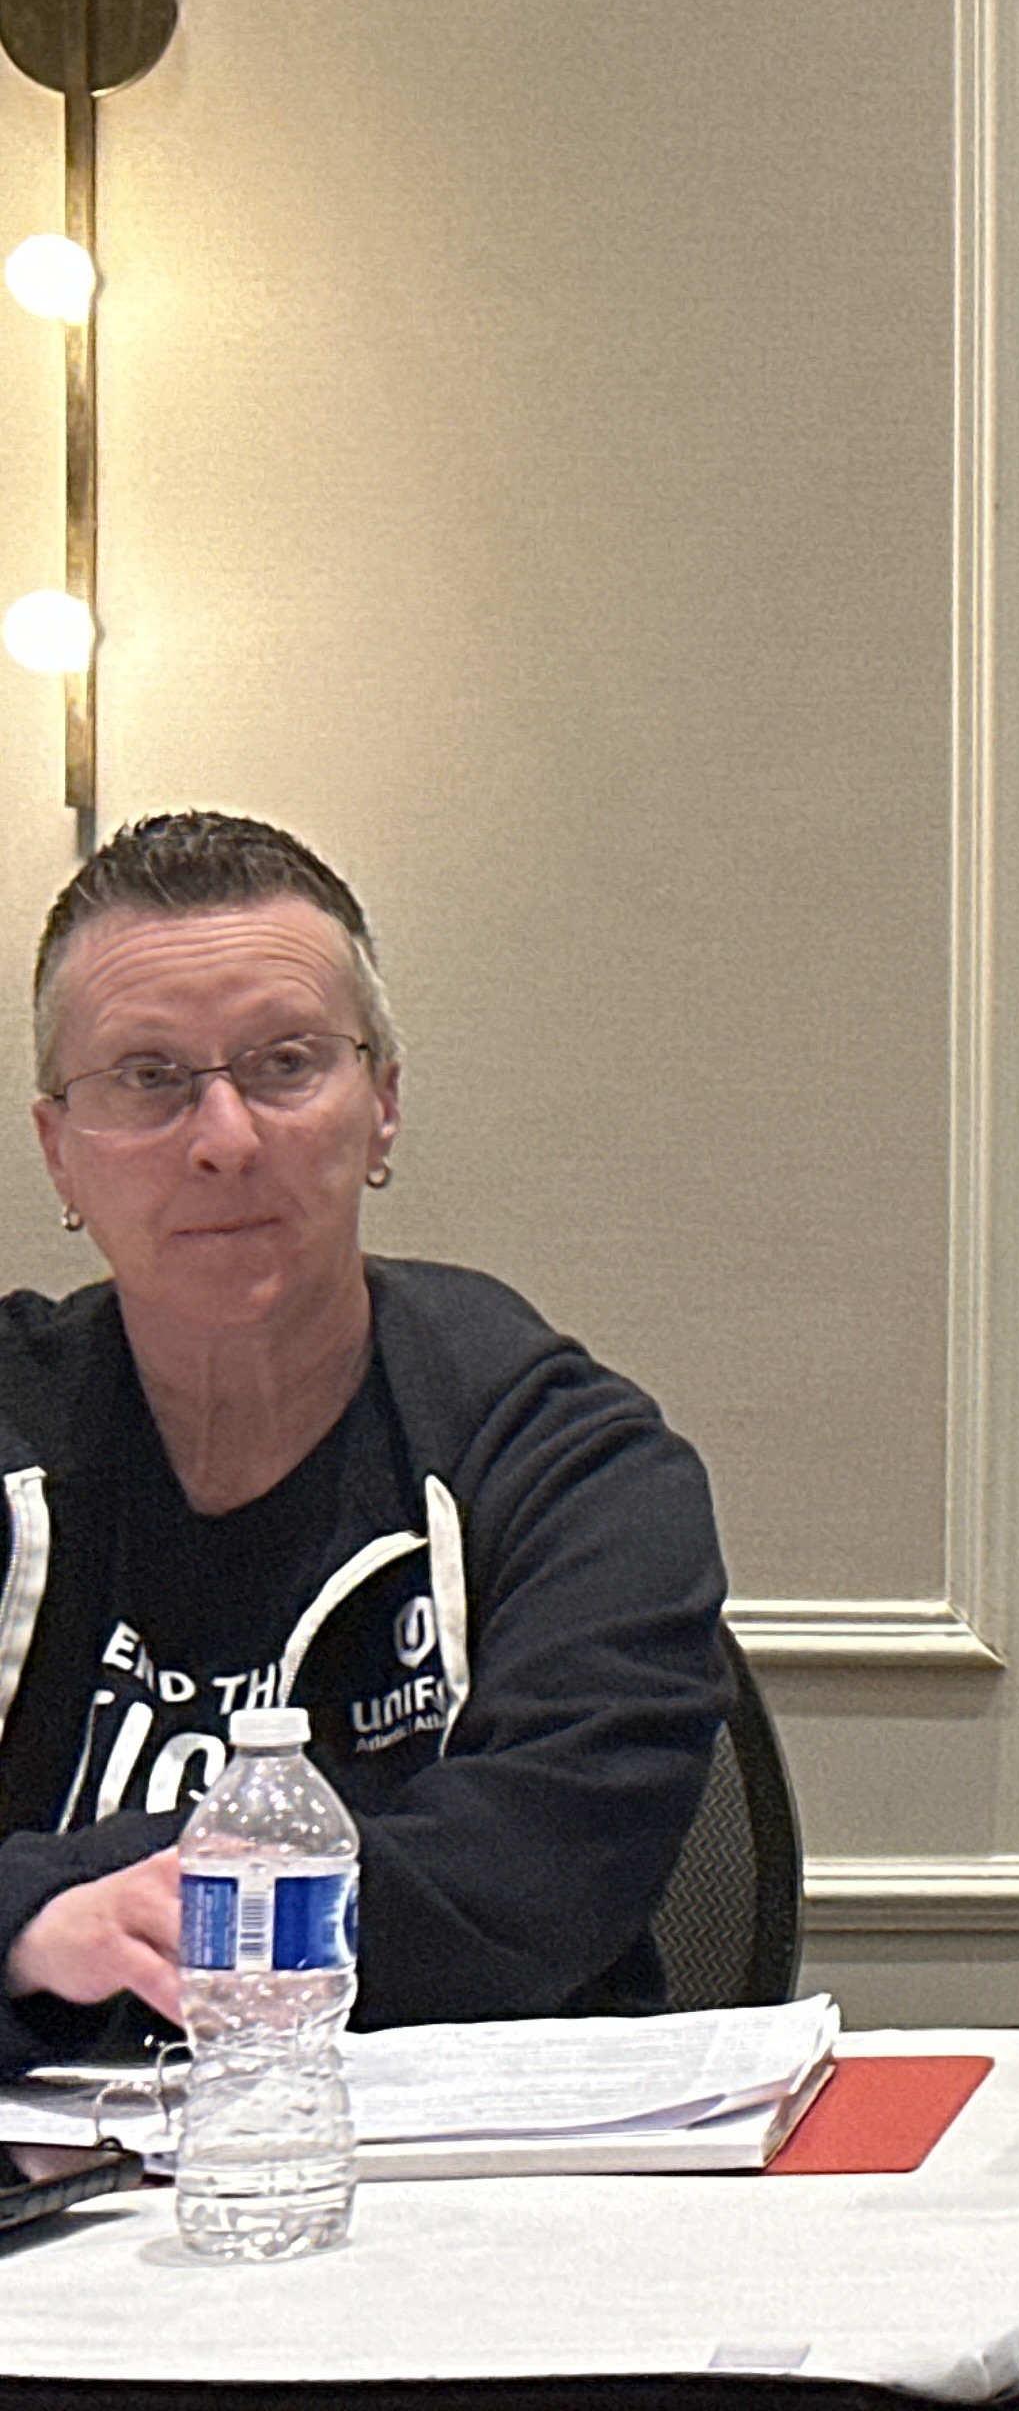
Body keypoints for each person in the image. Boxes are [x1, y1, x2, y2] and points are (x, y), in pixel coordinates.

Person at [0, 811, 731, 2075]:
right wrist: (29, 1931)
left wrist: (81, 1911)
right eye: (148, 1077)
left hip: (478, 2195)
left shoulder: (577, 1465)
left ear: (380, 1106)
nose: (224, 1138)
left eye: (286, 1063)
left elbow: (529, 1893)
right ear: (58, 1149)